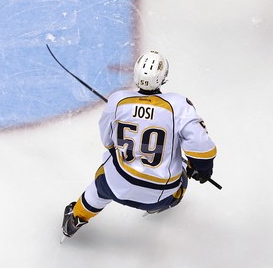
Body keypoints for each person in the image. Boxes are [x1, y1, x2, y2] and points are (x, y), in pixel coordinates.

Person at [61, 51, 217, 238]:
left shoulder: (118, 100)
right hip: (159, 195)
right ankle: (155, 208)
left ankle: (76, 217)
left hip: (117, 186)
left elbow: (107, 141)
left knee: (103, 180)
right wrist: (201, 168)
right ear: (163, 78)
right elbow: (201, 146)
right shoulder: (178, 105)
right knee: (182, 173)